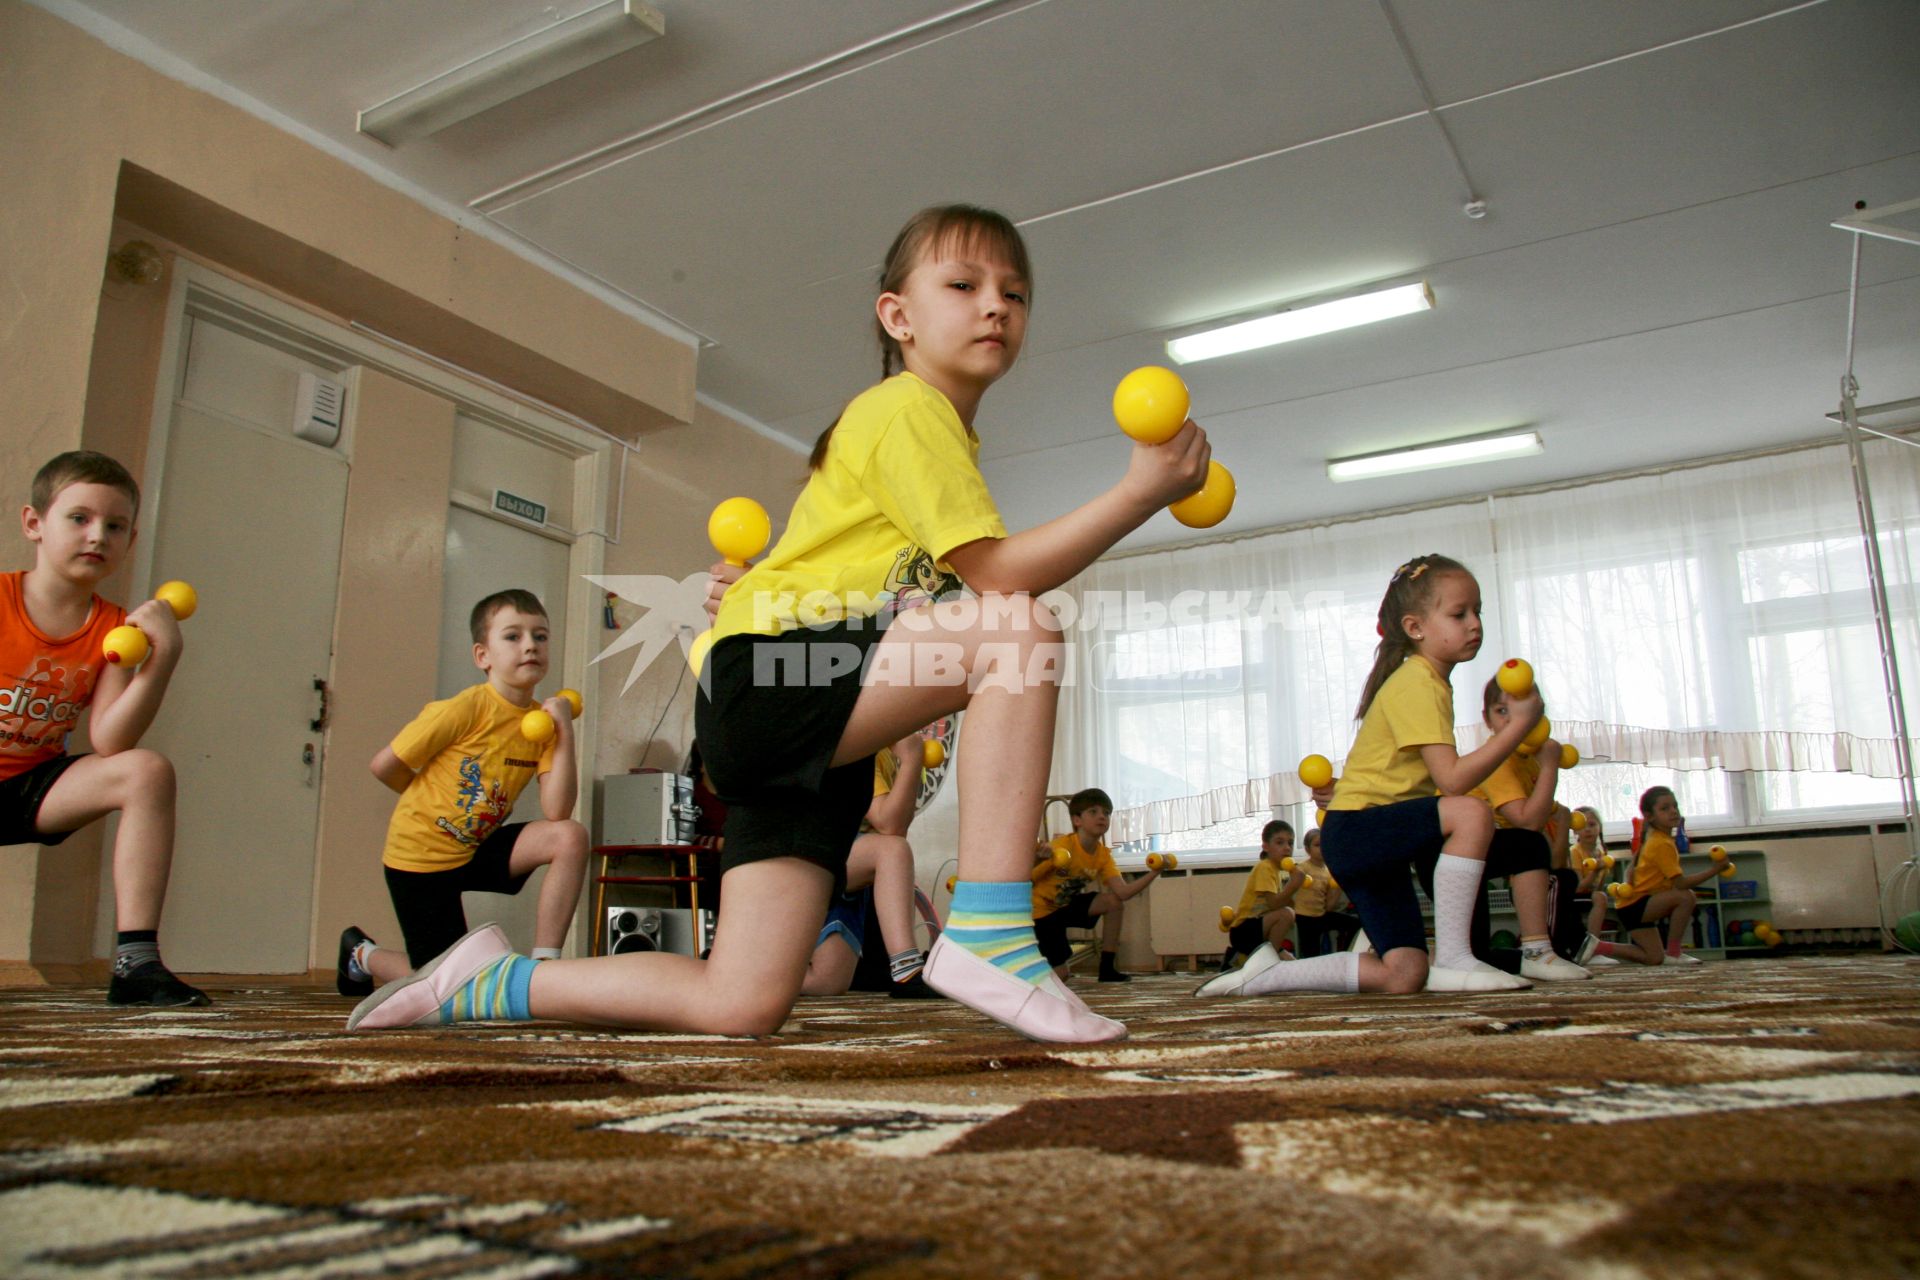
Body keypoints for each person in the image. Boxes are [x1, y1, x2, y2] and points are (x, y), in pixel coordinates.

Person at [345, 204, 1211, 1043]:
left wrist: (762, 591)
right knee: (1021, 624)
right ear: (897, 316)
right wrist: (1140, 494)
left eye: (1014, 293)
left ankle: (493, 982)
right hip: (777, 681)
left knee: (742, 999)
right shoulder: (908, 408)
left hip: (802, 715)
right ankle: (990, 932)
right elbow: (998, 577)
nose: (995, 304)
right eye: (963, 284)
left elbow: (846, 569)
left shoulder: (919, 436)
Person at [1235, 554, 1591, 1000]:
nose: (1474, 624)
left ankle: (1266, 975)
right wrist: (1519, 725)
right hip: (1361, 832)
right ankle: (1457, 957)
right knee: (1472, 813)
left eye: (1478, 611)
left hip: (1366, 836)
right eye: (1459, 614)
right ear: (1415, 627)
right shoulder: (1418, 681)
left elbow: (1391, 771)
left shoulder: (1429, 682)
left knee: (1403, 974)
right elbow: (1454, 781)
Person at [2, 451, 207, 1006]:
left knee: (145, 771)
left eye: (115, 526)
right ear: (33, 524)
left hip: (27, 787)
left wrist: (162, 658)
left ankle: (135, 964)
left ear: (130, 539)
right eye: (79, 519)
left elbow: (109, 743)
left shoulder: (116, 627)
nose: (98, 536)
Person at [336, 589, 588, 995]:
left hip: (478, 846)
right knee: (455, 989)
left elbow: (557, 810)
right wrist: (427, 800)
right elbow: (384, 765)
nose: (529, 645)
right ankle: (361, 953)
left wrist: (564, 731)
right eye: (513, 636)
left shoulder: (543, 722)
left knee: (570, 836)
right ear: (482, 656)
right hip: (420, 859)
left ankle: (545, 967)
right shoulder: (464, 709)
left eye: (540, 636)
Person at [799, 732, 941, 999]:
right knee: (891, 851)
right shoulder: (864, 746)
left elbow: (891, 827)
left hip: (841, 863)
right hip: (802, 855)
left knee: (827, 983)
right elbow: (890, 825)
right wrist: (912, 759)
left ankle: (738, 974)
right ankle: (906, 969)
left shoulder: (885, 752)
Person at [1467, 677, 1595, 966]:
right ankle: (1536, 951)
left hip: (1478, 851)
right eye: (1502, 711)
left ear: (1540, 715)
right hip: (1445, 853)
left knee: (1478, 957)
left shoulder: (1527, 762)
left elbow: (1546, 854)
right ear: (1486, 720)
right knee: (1470, 955)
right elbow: (1527, 824)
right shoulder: (1496, 758)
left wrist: (1559, 819)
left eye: (1524, 711)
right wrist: (1551, 764)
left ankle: (1547, 949)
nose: (1514, 721)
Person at [1031, 788, 1162, 983]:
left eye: (1106, 813)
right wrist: (1037, 859)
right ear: (1077, 820)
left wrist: (1155, 872)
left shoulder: (1103, 855)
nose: (1102, 817)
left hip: (1065, 907)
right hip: (1041, 914)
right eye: (1093, 812)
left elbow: (1123, 893)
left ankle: (1107, 969)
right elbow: (1026, 879)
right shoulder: (1061, 847)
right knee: (1062, 975)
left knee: (1114, 903)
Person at [1586, 786, 1717, 966]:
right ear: (1650, 816)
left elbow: (1631, 867)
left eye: (1675, 806)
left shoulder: (1654, 836)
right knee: (1686, 897)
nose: (1673, 811)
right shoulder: (1661, 843)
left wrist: (1629, 882)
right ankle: (1674, 952)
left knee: (1654, 958)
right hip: (1636, 906)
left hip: (1630, 907)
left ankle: (1598, 947)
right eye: (1664, 808)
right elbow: (1681, 884)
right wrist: (1715, 869)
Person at [1196, 819, 1299, 996]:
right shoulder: (1265, 868)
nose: (1287, 848)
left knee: (1292, 962)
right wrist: (1294, 885)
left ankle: (1239, 959)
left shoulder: (1281, 871)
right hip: (1243, 930)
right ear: (1266, 846)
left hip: (1259, 930)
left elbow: (1286, 903)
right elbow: (1275, 904)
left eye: (1290, 843)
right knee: (1286, 915)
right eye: (1280, 842)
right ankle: (1267, 963)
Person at [1289, 827, 1360, 959]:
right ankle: (1310, 975)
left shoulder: (1327, 871)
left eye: (1325, 844)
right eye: (1317, 845)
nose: (1322, 848)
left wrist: (1338, 888)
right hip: (1305, 917)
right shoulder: (1303, 868)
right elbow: (1291, 886)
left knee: (1355, 924)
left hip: (1321, 916)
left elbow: (1328, 907)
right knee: (1311, 955)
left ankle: (1344, 955)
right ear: (1307, 849)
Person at [1568, 806, 1619, 966]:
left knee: (1601, 896)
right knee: (1600, 897)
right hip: (1572, 896)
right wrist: (1596, 869)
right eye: (1582, 827)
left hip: (1590, 894)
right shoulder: (1575, 851)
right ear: (1575, 831)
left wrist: (1600, 868)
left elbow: (1598, 886)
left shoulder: (1600, 852)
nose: (1588, 830)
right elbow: (1579, 886)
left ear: (1599, 828)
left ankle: (1592, 947)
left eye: (1592, 825)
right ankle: (1591, 949)